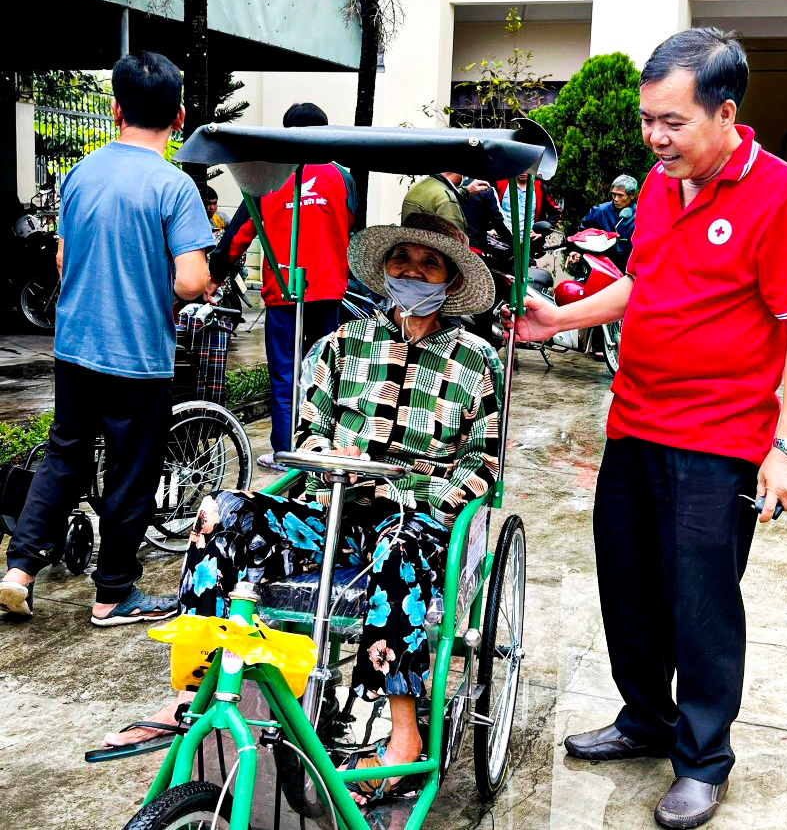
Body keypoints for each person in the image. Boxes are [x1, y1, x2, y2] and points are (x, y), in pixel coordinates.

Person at [504, 28, 787, 828]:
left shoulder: (781, 195)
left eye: (672, 122)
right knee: (630, 586)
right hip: (636, 420)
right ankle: (645, 717)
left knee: (702, 604)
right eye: (649, 120)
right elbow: (644, 286)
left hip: (720, 439)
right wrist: (560, 318)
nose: (655, 138)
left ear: (725, 113)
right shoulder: (655, 185)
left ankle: (703, 756)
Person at [100, 214, 501, 807]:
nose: (413, 271)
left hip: (416, 521)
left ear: (449, 277)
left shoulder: (475, 362)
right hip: (332, 511)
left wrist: (407, 493)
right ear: (385, 269)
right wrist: (326, 456)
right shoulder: (337, 347)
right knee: (224, 513)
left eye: (429, 262)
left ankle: (405, 730)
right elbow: (307, 437)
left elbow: (482, 468)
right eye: (402, 260)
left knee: (399, 549)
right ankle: (196, 688)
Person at [0, 51, 216, 624]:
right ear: (180, 115)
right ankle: (113, 594)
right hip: (137, 356)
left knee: (65, 456)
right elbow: (192, 280)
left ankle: (19, 569)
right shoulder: (174, 186)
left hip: (75, 347)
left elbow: (65, 260)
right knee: (131, 470)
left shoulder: (79, 175)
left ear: (116, 108)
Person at [217, 102, 357, 472]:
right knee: (327, 372)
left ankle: (285, 452)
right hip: (329, 290)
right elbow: (353, 229)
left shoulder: (267, 179)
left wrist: (215, 272)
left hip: (284, 292)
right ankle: (323, 450)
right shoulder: (343, 177)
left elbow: (238, 237)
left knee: (285, 373)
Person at [576, 175, 638, 270]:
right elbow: (582, 233)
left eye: (620, 195)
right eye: (614, 194)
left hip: (629, 269)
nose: (616, 199)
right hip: (602, 267)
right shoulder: (599, 211)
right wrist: (577, 251)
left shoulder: (641, 215)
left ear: (632, 195)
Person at [401, 172, 490, 234]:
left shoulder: (419, 186)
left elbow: (436, 198)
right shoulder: (446, 200)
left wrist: (466, 191)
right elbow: (455, 244)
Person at [493, 172, 560, 244]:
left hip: (530, 243)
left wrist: (541, 233)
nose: (523, 172)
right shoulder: (500, 185)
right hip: (502, 241)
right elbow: (487, 208)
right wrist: (492, 228)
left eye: (527, 168)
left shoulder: (539, 188)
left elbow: (555, 211)